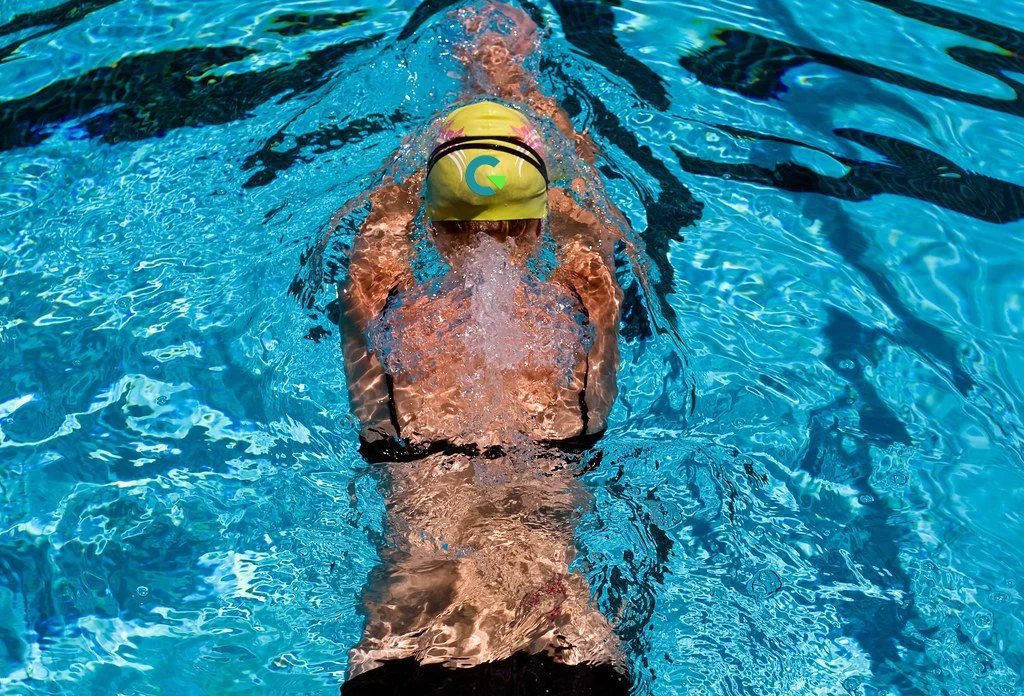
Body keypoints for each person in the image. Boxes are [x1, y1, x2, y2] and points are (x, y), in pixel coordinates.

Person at [336, 5, 632, 693]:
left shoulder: (380, 320)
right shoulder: (588, 310)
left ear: (433, 226)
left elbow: (378, 232)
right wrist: (511, 78)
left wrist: (435, 138)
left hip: (410, 644)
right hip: (562, 644)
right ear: (538, 224)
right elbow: (587, 202)